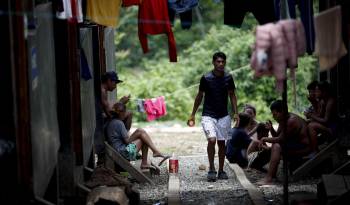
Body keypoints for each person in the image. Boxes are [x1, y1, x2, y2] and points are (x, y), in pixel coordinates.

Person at [187, 51, 239, 182]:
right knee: (211, 140)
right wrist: (193, 114)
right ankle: (211, 169)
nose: (220, 64)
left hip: (224, 115)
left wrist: (236, 113)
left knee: (222, 143)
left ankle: (221, 170)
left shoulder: (228, 78)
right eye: (218, 61)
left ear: (225, 63)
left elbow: (232, 95)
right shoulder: (206, 78)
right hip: (208, 115)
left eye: (222, 62)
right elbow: (200, 96)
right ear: (213, 62)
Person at [258, 100, 313, 185]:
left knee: (276, 146)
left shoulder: (291, 121)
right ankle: (271, 175)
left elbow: (280, 139)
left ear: (282, 112)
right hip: (294, 145)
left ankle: (269, 178)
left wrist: (264, 139)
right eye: (272, 114)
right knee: (275, 146)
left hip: (304, 148)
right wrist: (271, 128)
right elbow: (277, 136)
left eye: (275, 114)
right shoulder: (283, 119)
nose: (273, 117)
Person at [105, 102, 170, 171]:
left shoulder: (112, 122)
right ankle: (154, 153)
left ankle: (152, 155)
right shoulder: (119, 123)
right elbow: (127, 141)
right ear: (122, 113)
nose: (126, 114)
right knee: (140, 132)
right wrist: (137, 134)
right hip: (124, 154)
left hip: (118, 153)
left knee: (142, 136)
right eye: (125, 112)